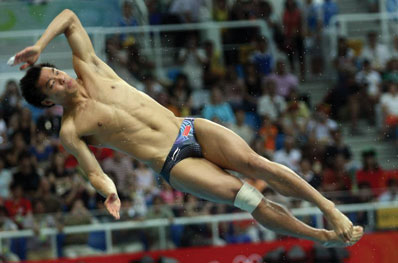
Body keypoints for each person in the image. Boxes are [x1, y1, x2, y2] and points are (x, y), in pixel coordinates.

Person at [13, 9, 362, 247]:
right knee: (250, 199)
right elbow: (93, 171)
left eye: (54, 72)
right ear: (48, 102)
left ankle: (329, 208)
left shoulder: (89, 67)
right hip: (174, 164)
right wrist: (110, 191)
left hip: (188, 127)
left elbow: (70, 18)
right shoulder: (71, 129)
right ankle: (321, 237)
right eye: (52, 85)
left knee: (259, 164)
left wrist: (39, 46)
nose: (60, 78)